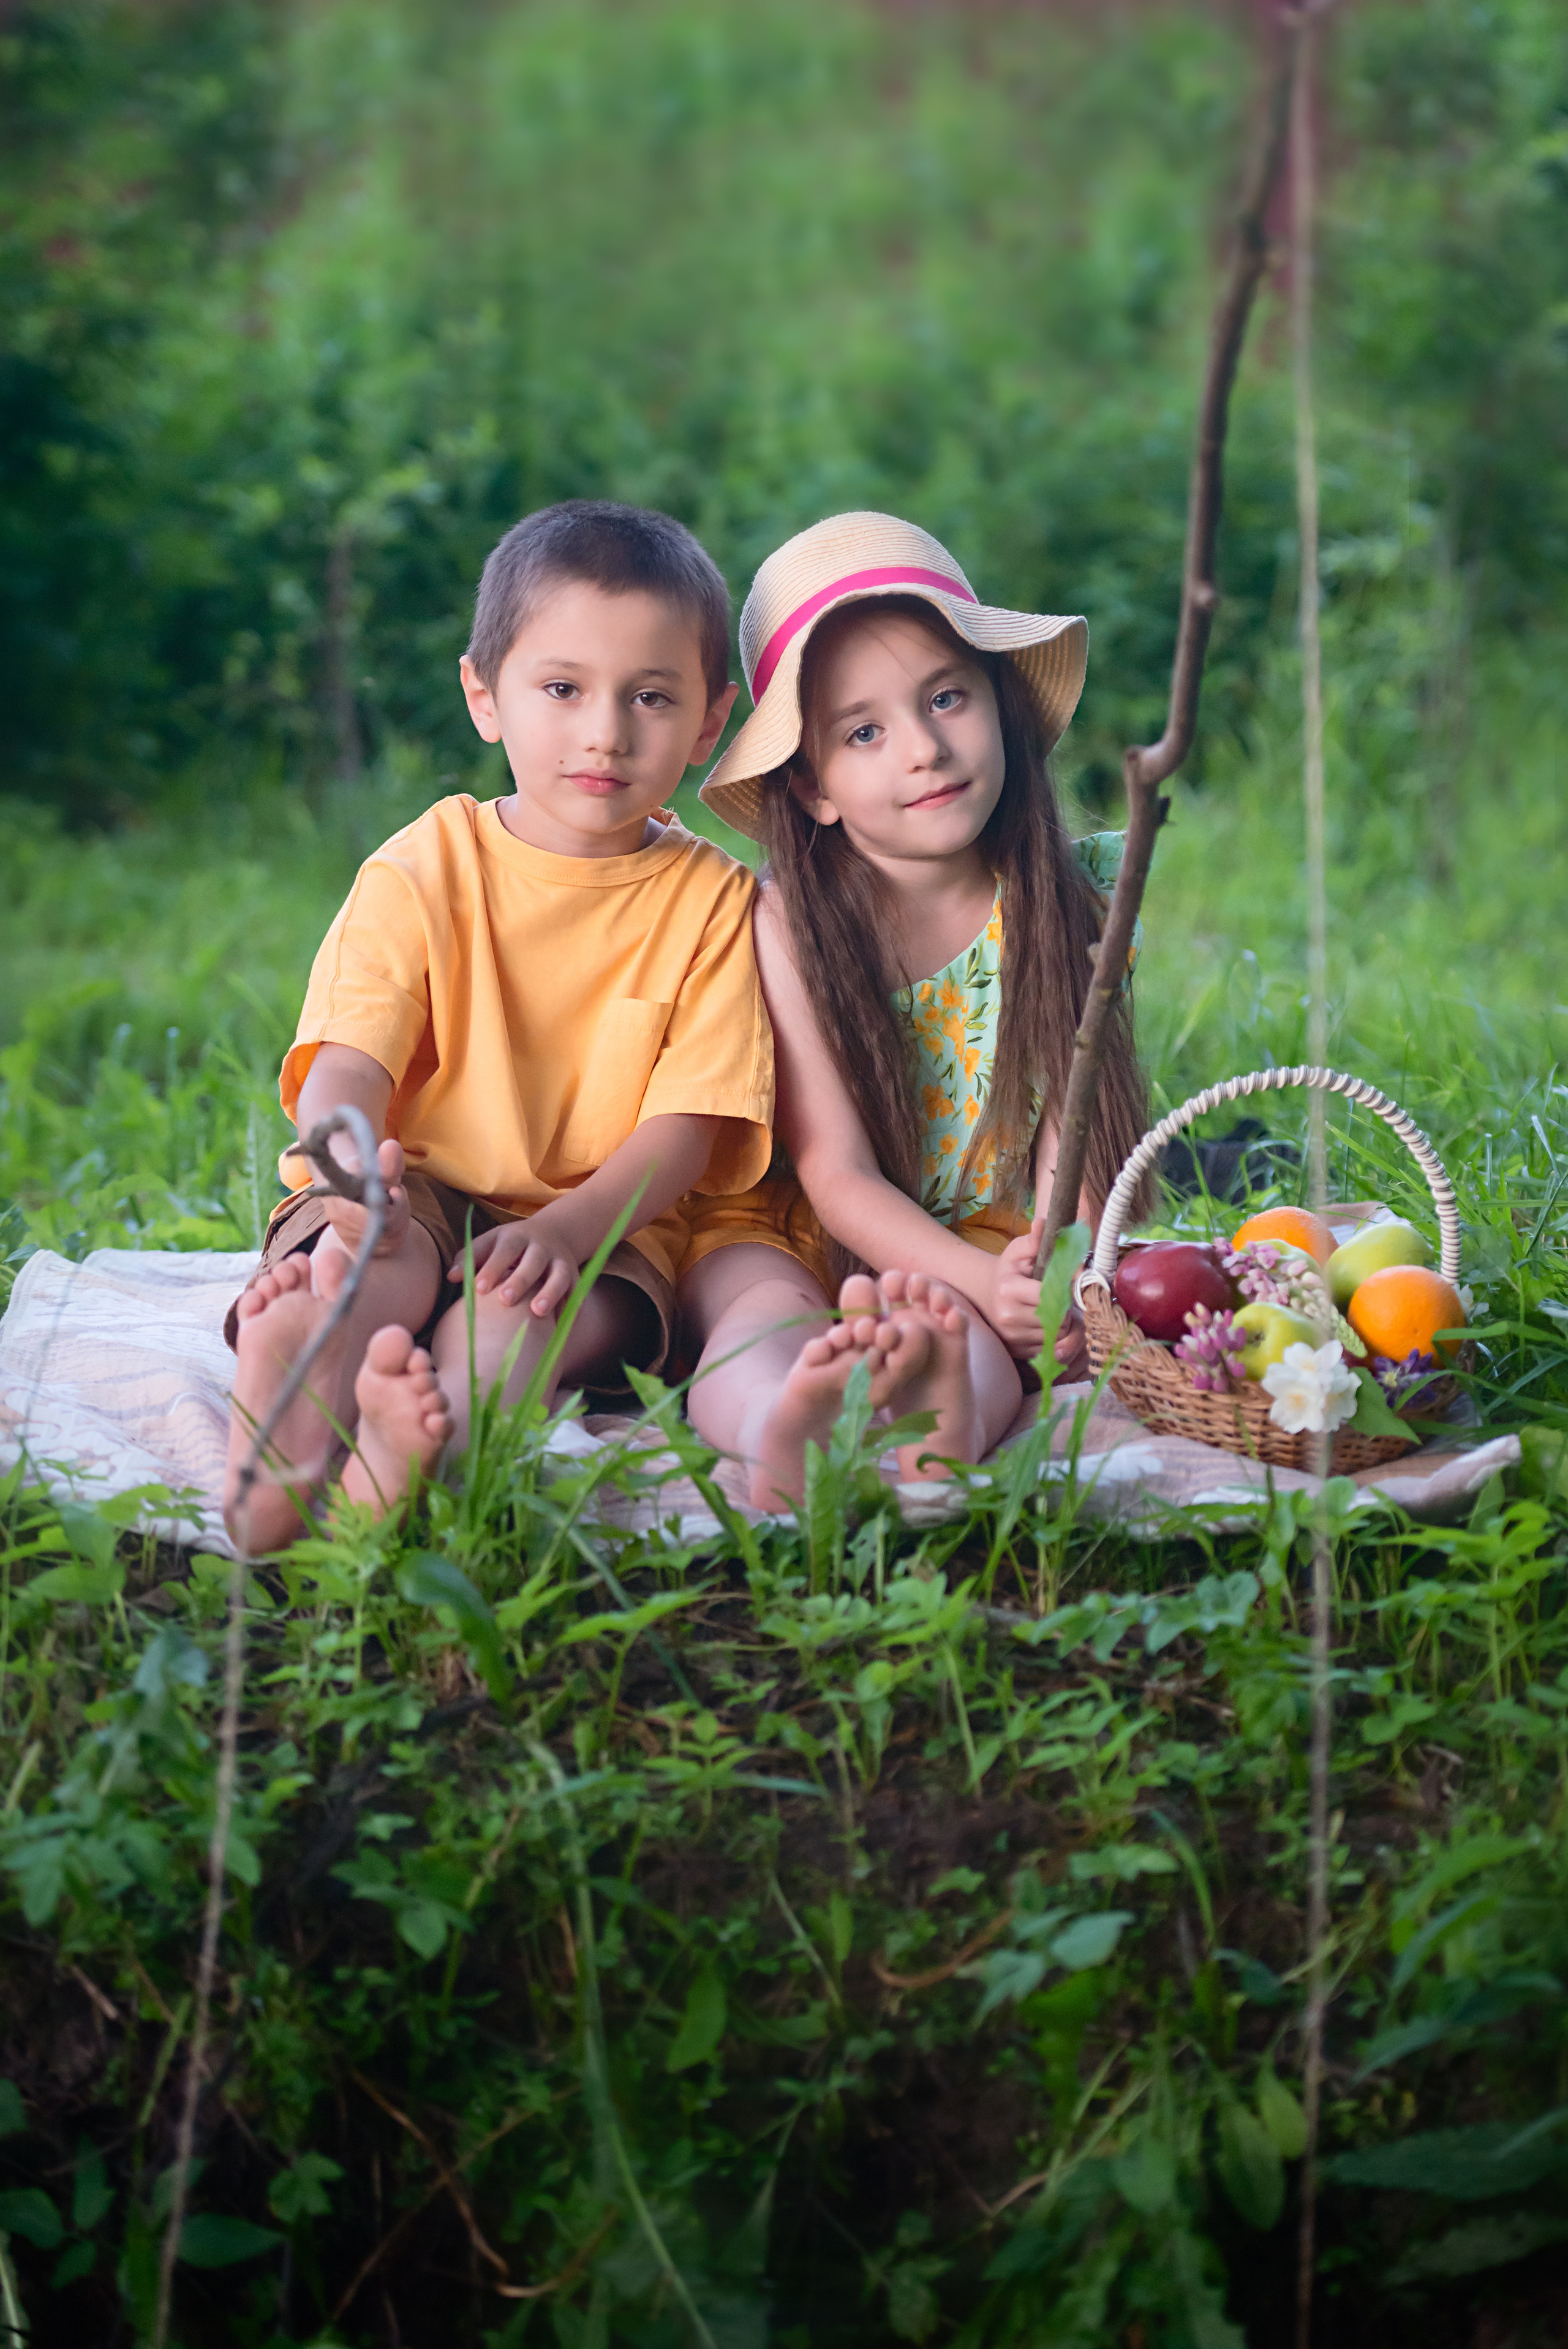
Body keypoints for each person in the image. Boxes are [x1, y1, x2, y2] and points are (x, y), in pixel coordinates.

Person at [222, 500, 778, 1551]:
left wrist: (568, 1232)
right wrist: (351, 1171)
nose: (604, 732)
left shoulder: (716, 903)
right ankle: (295, 1409)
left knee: (513, 1326)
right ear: (485, 695)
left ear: (710, 722)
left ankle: (418, 1454)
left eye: (651, 697)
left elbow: (684, 1134)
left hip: (603, 1224)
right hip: (414, 1179)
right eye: (562, 689)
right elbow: (348, 1065)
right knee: (367, 1261)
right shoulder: (424, 864)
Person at [674, 511, 1154, 1508]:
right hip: (793, 1226)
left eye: (946, 697)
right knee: (757, 1323)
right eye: (865, 731)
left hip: (977, 1240)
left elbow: (1081, 1143)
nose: (925, 749)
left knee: (969, 1350)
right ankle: (779, 1429)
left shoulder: (1076, 899)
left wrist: (1044, 1273)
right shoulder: (792, 923)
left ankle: (943, 1434)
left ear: (1000, 704)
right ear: (812, 785)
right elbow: (837, 1176)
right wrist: (983, 1285)